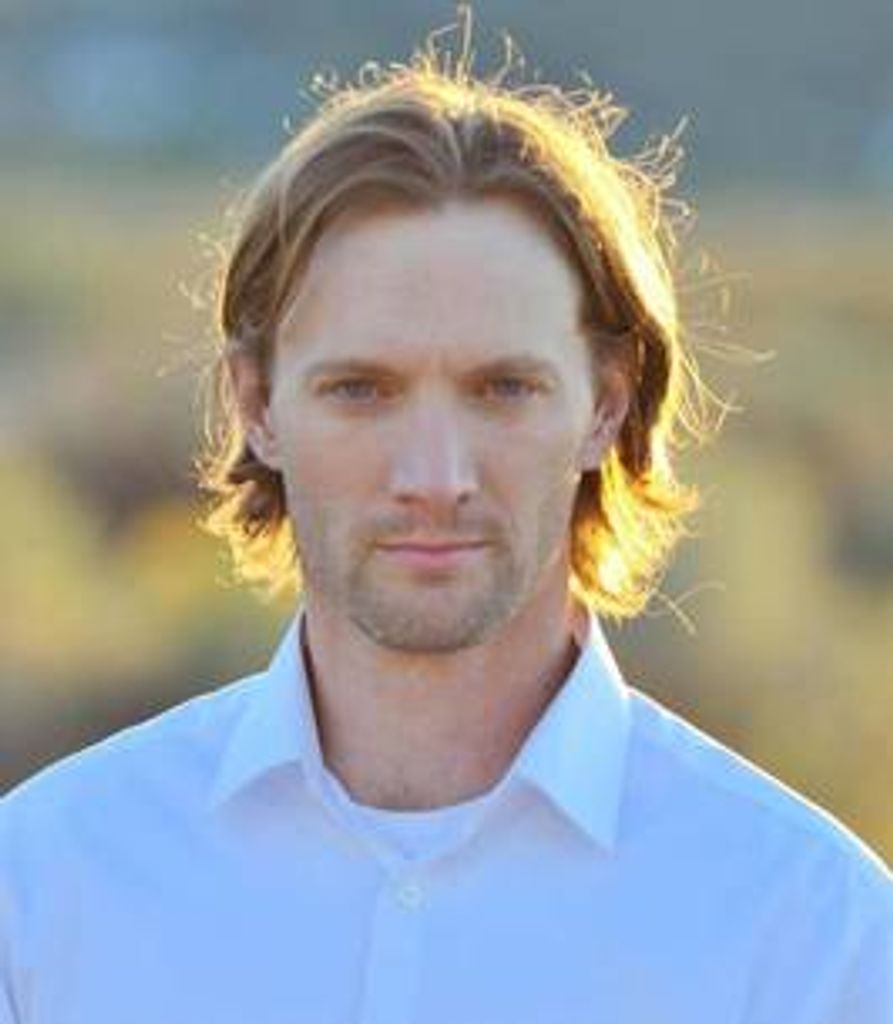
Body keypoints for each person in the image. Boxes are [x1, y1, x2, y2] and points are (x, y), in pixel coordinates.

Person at [1, 22, 890, 1024]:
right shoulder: (45, 890)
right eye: (360, 389)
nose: (434, 477)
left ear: (605, 404)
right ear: (256, 404)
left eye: (501, 388)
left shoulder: (811, 936)